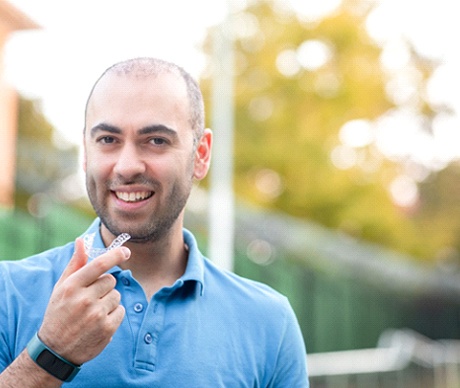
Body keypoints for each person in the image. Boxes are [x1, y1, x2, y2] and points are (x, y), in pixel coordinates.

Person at [0, 57, 309, 387]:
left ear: (201, 154)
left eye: (156, 140)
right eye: (108, 139)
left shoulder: (269, 323)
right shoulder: (8, 294)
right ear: (86, 153)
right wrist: (51, 352)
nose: (127, 166)